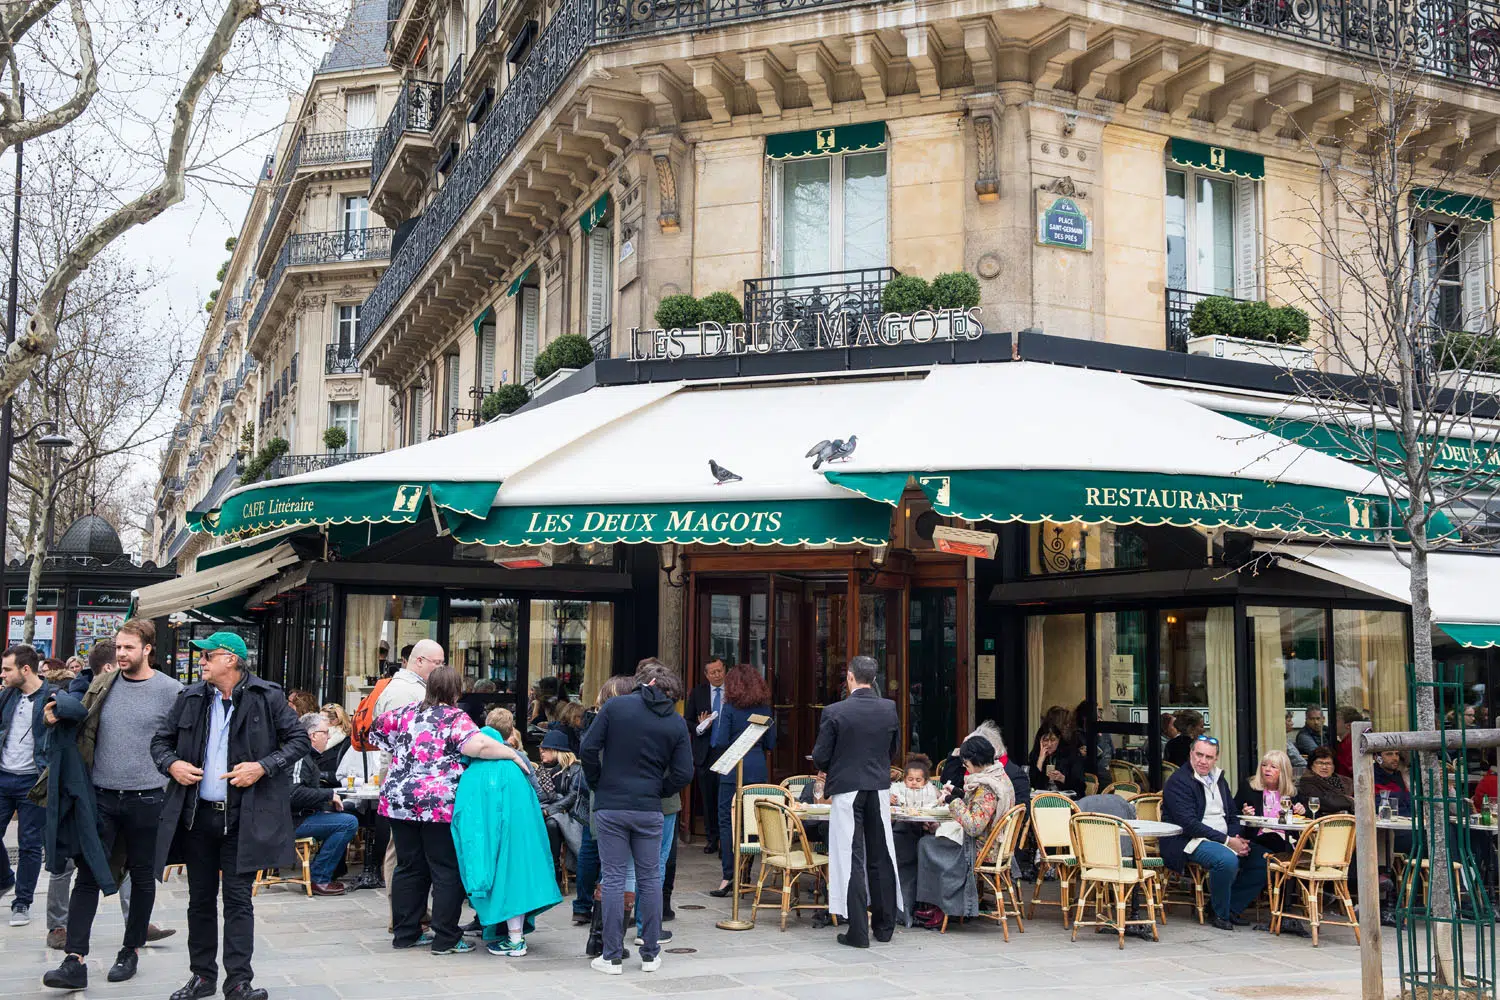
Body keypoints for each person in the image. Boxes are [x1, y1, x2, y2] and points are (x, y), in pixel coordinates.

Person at [151, 631, 309, 1000]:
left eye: (208, 656)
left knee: (239, 901)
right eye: (201, 657)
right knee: (199, 901)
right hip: (197, 817)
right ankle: (202, 977)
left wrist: (263, 766)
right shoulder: (190, 698)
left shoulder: (266, 696)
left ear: (232, 660)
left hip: (243, 817)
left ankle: (239, 982)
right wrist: (171, 764)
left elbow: (299, 740)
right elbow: (160, 742)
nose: (201, 662)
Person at [41, 621, 183, 990]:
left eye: (128, 648)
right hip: (102, 797)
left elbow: (184, 740)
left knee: (141, 877)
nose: (121, 654)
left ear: (147, 649)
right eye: (118, 647)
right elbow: (75, 711)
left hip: (149, 798)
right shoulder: (103, 685)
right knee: (86, 876)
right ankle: (75, 960)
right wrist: (54, 712)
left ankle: (130, 950)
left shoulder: (171, 691)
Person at [370, 662, 524, 954]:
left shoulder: (404, 713)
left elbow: (375, 732)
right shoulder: (456, 718)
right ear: (455, 691)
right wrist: (512, 754)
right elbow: (479, 746)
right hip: (437, 804)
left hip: (399, 801)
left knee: (408, 866)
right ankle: (446, 938)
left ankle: (406, 933)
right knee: (445, 870)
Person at [580, 661, 692, 975]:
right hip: (649, 807)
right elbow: (685, 772)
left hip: (612, 803)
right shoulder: (675, 722)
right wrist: (659, 789)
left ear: (649, 682)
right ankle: (651, 953)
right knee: (650, 878)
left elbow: (588, 748)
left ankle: (612, 955)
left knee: (614, 877)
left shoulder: (616, 707)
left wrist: (596, 781)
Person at [451, 714, 561, 958]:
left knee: (500, 885)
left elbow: (465, 815)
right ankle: (513, 936)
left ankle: (514, 940)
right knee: (517, 883)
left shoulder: (474, 771)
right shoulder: (514, 766)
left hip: (491, 838)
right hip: (522, 836)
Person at [812, 654, 902, 949]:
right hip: (878, 785)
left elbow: (822, 756)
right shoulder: (889, 708)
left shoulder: (835, 711)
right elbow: (893, 749)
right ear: (873, 679)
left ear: (850, 677)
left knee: (851, 856)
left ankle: (858, 931)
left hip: (848, 787)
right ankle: (885, 925)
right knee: (881, 853)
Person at [1159, 735, 1267, 931]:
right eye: (1199, 755)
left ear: (1215, 758)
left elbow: (1232, 814)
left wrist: (1235, 837)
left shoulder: (1219, 779)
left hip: (1222, 838)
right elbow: (1189, 824)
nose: (1203, 760)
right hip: (1189, 841)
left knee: (1264, 859)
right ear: (1191, 754)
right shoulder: (1179, 781)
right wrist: (1227, 841)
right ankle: (1220, 913)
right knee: (1225, 860)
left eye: (1208, 757)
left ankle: (1231, 907)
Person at [911, 735, 1014, 930]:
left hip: (982, 847)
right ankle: (937, 903)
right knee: (934, 840)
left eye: (966, 762)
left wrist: (954, 802)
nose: (965, 766)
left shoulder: (987, 787)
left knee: (926, 844)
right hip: (995, 843)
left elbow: (974, 825)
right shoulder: (1000, 776)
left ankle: (939, 906)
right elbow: (981, 811)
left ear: (974, 760)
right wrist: (959, 794)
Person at [372, 639, 445, 893]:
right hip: (404, 779)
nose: (441, 668)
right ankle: (401, 914)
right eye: (438, 663)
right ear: (420, 661)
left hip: (409, 779)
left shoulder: (411, 688)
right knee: (400, 848)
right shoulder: (404, 692)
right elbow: (401, 742)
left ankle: (410, 913)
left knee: (407, 848)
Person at [0, 643, 55, 928]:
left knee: (29, 844)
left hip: (33, 781)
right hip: (2, 776)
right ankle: (5, 879)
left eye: (7, 669)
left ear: (25, 669)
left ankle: (22, 901)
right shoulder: (7, 695)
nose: (2, 674)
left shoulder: (52, 696)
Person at [708, 664, 775, 896]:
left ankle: (729, 876)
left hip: (732, 768)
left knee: (727, 822)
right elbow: (771, 744)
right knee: (752, 824)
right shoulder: (765, 709)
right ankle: (747, 872)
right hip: (757, 770)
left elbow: (721, 741)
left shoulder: (729, 708)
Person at [290, 713, 359, 896]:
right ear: (312, 735)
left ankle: (329, 871)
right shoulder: (299, 757)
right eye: (325, 733)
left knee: (348, 814)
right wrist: (328, 794)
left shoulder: (305, 755)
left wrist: (326, 800)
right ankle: (319, 878)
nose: (328, 737)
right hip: (291, 821)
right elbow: (293, 794)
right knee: (348, 822)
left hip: (300, 815)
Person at [684, 657, 727, 855]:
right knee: (708, 798)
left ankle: (726, 841)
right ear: (706, 675)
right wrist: (701, 727)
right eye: (713, 672)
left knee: (725, 798)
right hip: (705, 752)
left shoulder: (733, 692)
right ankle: (712, 838)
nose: (717, 675)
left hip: (726, 751)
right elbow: (688, 721)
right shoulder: (698, 692)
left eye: (720, 670)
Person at [1232, 749, 1306, 857]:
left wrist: (1301, 811)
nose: (1267, 769)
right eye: (1264, 765)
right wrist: (1244, 813)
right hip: (1257, 838)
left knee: (1278, 843)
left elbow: (1302, 817)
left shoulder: (1291, 793)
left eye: (1273, 767)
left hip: (1285, 840)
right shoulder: (1249, 788)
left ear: (1283, 772)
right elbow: (1233, 813)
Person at [537, 729, 587, 872]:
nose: (541, 751)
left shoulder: (576, 769)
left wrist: (548, 811)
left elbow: (572, 797)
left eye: (546, 749)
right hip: (548, 810)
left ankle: (555, 869)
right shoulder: (541, 770)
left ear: (557, 750)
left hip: (571, 815)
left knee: (551, 823)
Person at [1029, 722, 1085, 796]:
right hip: (1043, 799)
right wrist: (1040, 760)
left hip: (1067, 800)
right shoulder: (1035, 755)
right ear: (1040, 741)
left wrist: (1062, 779)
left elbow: (1081, 786)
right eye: (1045, 740)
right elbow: (1032, 784)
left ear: (1059, 739)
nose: (1049, 744)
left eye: (1053, 740)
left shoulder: (1071, 754)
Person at [1297, 747, 1354, 815]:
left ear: (1334, 766)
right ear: (1311, 765)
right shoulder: (1307, 781)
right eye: (1319, 763)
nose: (1324, 767)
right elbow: (1329, 803)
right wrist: (1351, 801)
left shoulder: (1347, 781)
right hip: (1324, 821)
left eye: (1328, 763)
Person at [315, 704, 351, 782]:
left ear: (335, 721)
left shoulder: (347, 743)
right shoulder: (316, 736)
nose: (318, 722)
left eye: (323, 719)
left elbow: (346, 771)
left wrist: (322, 775)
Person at [1372, 750, 1412, 817]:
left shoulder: (1398, 776)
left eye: (1397, 754)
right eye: (1389, 754)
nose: (1395, 758)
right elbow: (1379, 808)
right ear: (1377, 758)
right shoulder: (1371, 776)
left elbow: (1410, 804)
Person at [1333, 706, 1363, 778]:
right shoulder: (1348, 742)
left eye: (1336, 721)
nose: (1332, 724)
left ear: (1348, 726)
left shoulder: (1348, 745)